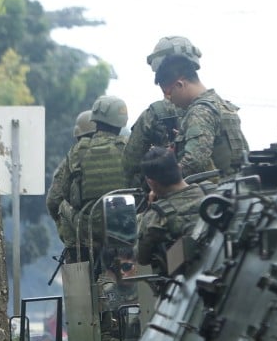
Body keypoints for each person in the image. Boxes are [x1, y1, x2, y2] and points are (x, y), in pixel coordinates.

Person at [150, 36, 249, 180]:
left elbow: (194, 162)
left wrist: (163, 184)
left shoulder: (200, 111)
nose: (169, 100)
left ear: (180, 85)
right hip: (238, 185)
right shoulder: (220, 104)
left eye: (169, 93)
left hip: (217, 193)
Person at [46, 97, 130, 262]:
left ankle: (77, 256)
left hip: (87, 231)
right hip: (125, 227)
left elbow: (53, 200)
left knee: (62, 206)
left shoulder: (77, 153)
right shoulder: (128, 148)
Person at [135, 146, 208, 274]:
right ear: (179, 168)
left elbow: (142, 258)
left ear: (151, 182)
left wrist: (149, 210)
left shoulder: (156, 217)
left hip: (187, 284)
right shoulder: (213, 191)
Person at [123, 98, 183, 190]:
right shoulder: (203, 108)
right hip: (204, 188)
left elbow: (131, 162)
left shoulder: (151, 114)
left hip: (162, 188)